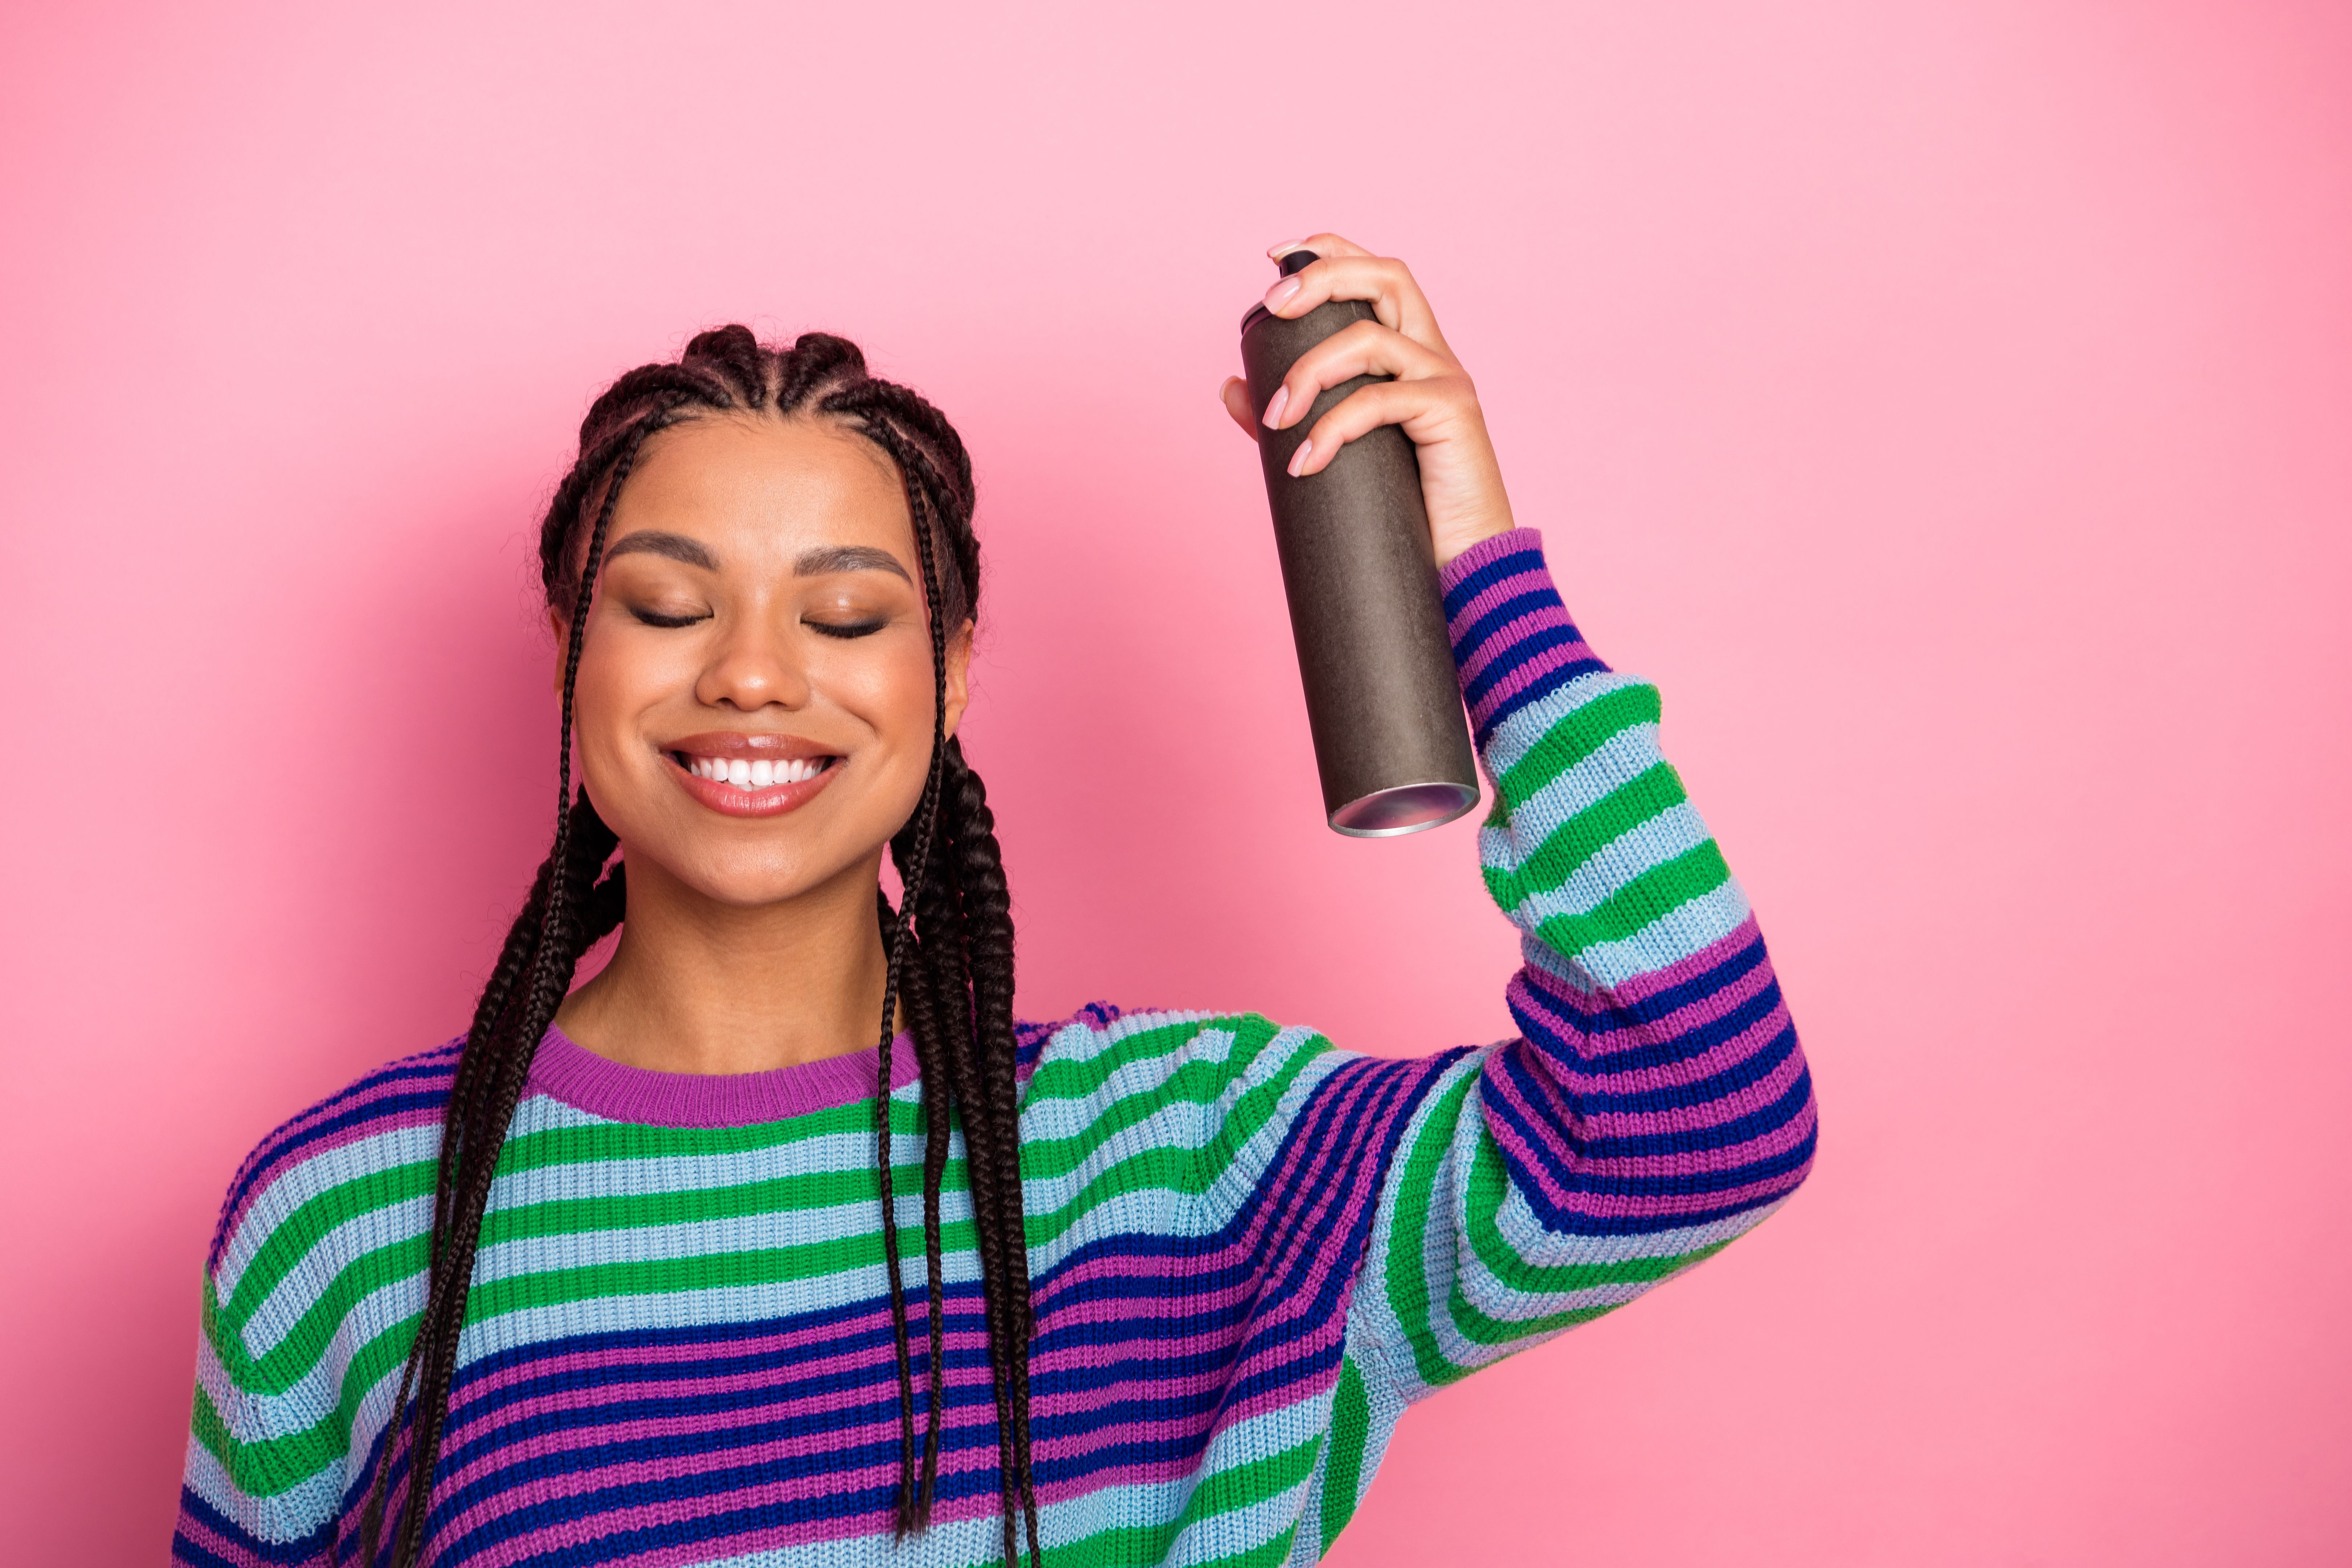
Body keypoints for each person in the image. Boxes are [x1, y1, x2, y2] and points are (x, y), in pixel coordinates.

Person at [173, 235, 1816, 1568]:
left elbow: (1699, 1117)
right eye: (670, 606)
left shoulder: (1177, 1158)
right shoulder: (350, 1222)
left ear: (949, 679)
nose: (753, 675)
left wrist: (1471, 573)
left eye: (846, 619)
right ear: (572, 654)